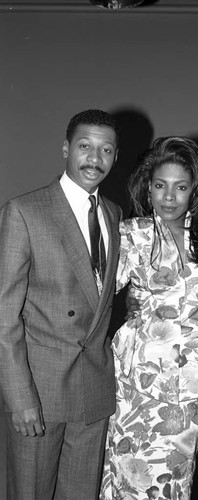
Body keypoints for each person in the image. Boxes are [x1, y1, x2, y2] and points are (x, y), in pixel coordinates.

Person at [0, 109, 122, 500]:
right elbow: (4, 316)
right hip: (41, 392)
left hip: (94, 390)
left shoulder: (114, 214)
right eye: (85, 146)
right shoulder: (25, 211)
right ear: (66, 148)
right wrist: (19, 398)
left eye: (105, 150)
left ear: (115, 157)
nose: (94, 158)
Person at [99, 136, 198, 500]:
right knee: (129, 469)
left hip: (190, 373)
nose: (169, 196)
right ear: (147, 189)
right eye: (160, 186)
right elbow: (96, 291)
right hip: (139, 374)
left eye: (180, 187)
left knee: (178, 473)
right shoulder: (131, 234)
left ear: (193, 190)